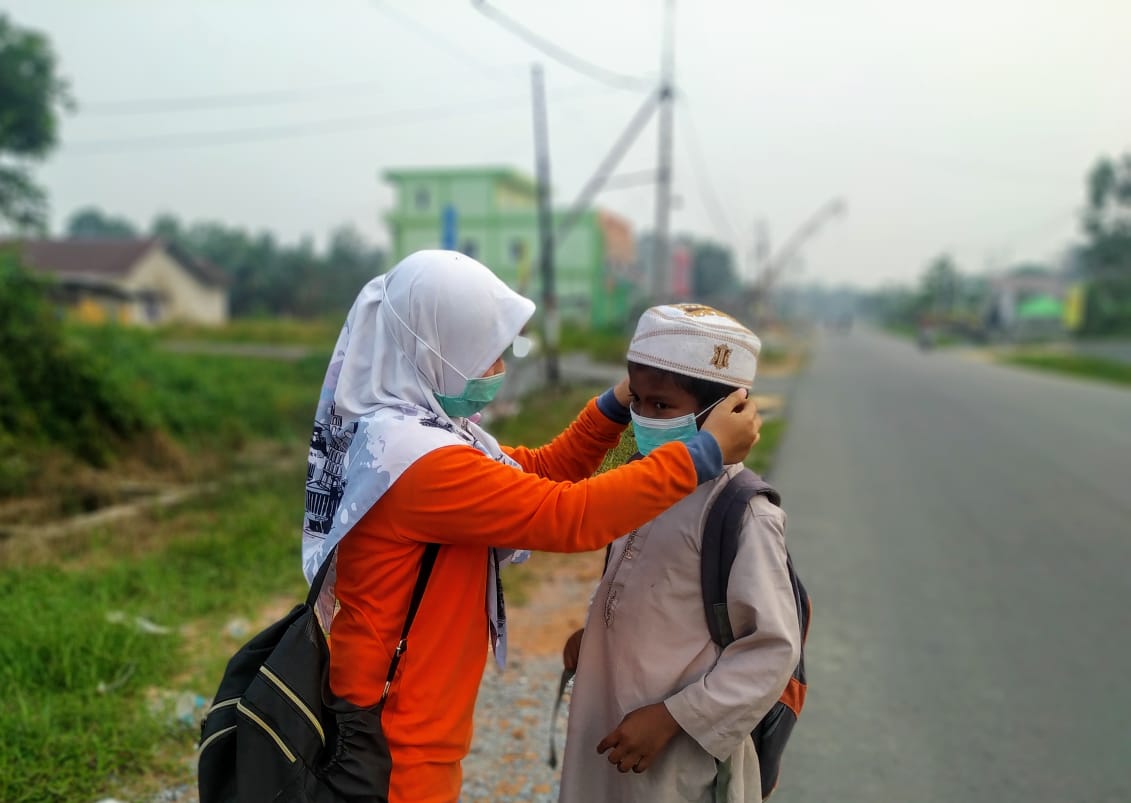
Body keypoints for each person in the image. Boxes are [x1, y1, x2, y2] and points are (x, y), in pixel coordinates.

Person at [299, 252, 762, 803]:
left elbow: (536, 472)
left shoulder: (410, 436)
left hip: (400, 720)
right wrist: (700, 453)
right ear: (434, 351)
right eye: (487, 355)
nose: (498, 371)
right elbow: (569, 515)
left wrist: (623, 402)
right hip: (396, 742)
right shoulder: (421, 465)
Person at [557, 303, 802, 803]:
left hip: (671, 752)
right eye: (639, 402)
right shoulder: (642, 485)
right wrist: (598, 633)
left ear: (724, 413)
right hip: (606, 720)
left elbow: (772, 649)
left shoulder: (742, 513)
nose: (645, 417)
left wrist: (672, 719)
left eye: (663, 406)